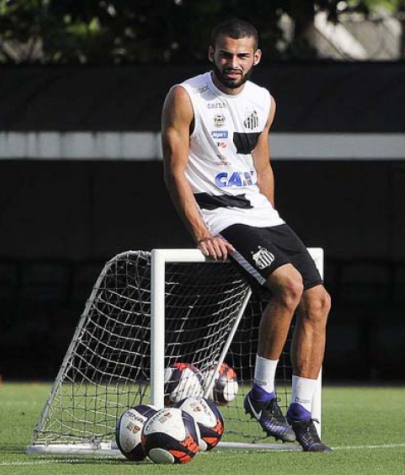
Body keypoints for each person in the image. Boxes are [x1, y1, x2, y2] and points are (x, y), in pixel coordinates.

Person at [161, 18, 332, 452]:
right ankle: (261, 395)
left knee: (319, 300)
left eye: (241, 55)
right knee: (289, 287)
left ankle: (303, 413)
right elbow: (174, 171)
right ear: (211, 52)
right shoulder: (185, 97)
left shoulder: (264, 101)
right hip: (218, 215)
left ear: (256, 57)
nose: (232, 62)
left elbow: (263, 165)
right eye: (225, 53)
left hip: (260, 213)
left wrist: (271, 216)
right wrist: (200, 231)